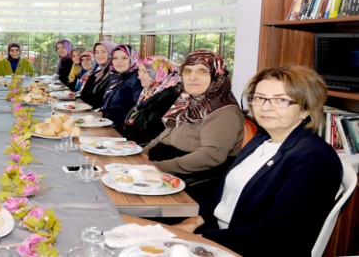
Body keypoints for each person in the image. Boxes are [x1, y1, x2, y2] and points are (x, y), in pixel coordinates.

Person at [173, 66, 343, 257]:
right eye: (260, 98)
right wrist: (190, 224)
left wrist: (200, 240)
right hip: (221, 235)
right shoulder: (262, 138)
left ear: (305, 109)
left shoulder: (314, 158)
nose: (266, 107)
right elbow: (221, 197)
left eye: (280, 100)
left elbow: (276, 235)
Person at [142, 50, 244, 201]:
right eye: (187, 71)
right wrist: (144, 154)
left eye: (202, 71)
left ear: (217, 75)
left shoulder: (224, 111)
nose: (192, 77)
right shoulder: (187, 99)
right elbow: (166, 134)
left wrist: (158, 167)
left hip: (186, 178)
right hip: (162, 164)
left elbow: (210, 157)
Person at [122, 56, 181, 144]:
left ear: (161, 73)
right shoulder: (152, 89)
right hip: (136, 141)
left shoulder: (169, 95)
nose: (139, 76)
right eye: (139, 70)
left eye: (145, 72)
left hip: (146, 146)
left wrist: (123, 141)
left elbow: (150, 130)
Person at [100, 44, 142, 130]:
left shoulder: (137, 79)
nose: (119, 62)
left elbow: (137, 111)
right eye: (115, 58)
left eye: (124, 58)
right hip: (106, 123)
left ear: (133, 59)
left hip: (120, 128)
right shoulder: (116, 77)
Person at [79, 41, 117, 109]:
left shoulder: (116, 76)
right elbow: (83, 96)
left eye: (104, 52)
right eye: (97, 52)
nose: (99, 55)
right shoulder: (96, 74)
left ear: (112, 54)